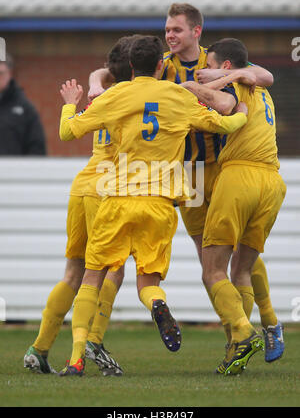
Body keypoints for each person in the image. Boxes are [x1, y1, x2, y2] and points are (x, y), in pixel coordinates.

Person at [88, 3, 281, 366]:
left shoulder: (218, 59)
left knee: (240, 253)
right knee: (210, 257)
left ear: (196, 31)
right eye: (167, 30)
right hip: (188, 172)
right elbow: (109, 67)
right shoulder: (162, 65)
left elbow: (266, 76)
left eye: (176, 30)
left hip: (225, 167)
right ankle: (237, 337)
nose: (170, 36)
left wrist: (228, 77)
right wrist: (96, 83)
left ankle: (268, 323)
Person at [57, 35, 248, 376]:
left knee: (92, 277)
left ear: (131, 66)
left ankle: (75, 359)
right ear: (161, 65)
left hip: (116, 199)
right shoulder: (177, 94)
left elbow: (68, 133)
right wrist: (244, 115)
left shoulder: (116, 94)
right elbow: (224, 123)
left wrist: (70, 103)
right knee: (148, 281)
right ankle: (158, 305)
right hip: (160, 204)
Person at [23, 36, 140, 377]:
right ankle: (85, 349)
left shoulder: (102, 94)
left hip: (84, 184)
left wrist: (91, 83)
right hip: (109, 190)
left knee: (73, 273)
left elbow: (101, 74)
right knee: (108, 272)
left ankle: (39, 347)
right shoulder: (139, 96)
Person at [195, 38, 286, 375]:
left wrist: (197, 88)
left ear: (228, 66)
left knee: (212, 269)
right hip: (272, 183)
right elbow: (263, 74)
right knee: (242, 270)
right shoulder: (263, 89)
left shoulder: (237, 85)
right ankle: (239, 350)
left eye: (213, 63)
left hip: (239, 178)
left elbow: (220, 104)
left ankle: (243, 334)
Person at [0, 55, 46, 155]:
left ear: (9, 74)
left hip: (13, 169)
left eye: (1, 73)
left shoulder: (25, 109)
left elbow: (37, 147)